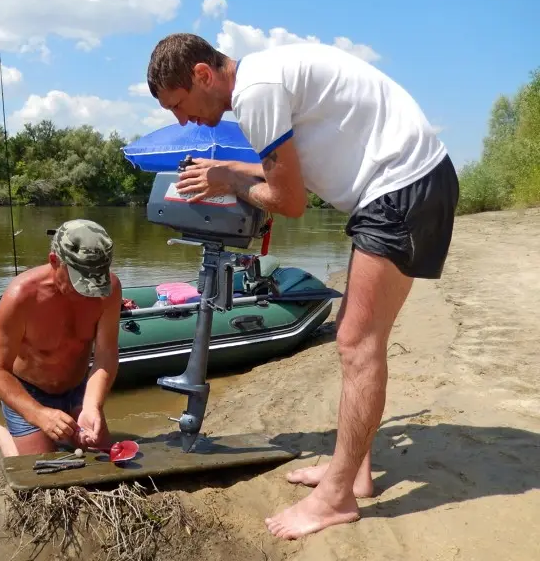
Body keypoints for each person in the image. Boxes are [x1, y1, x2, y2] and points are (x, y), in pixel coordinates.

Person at [145, 33, 459, 539]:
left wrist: (231, 181)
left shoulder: (253, 93)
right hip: (405, 185)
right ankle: (352, 472)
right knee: (355, 340)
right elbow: (289, 173)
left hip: (400, 188)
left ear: (203, 75)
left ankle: (335, 499)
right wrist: (231, 172)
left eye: (180, 105)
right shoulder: (268, 76)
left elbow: (289, 201)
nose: (184, 120)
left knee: (358, 344)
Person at [0, 219, 122, 457]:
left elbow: (106, 355)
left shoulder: (109, 289)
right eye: (79, 282)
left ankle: (70, 423)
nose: (86, 293)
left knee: (104, 459)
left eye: (94, 283)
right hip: (30, 393)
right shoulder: (21, 296)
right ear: (54, 261)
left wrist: (92, 405)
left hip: (78, 387)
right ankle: (0, 434)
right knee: (40, 477)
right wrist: (38, 414)